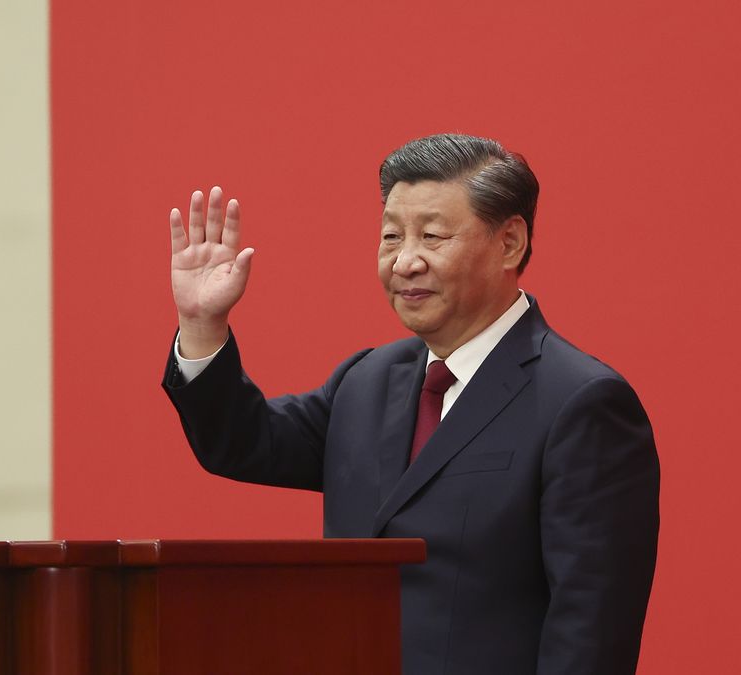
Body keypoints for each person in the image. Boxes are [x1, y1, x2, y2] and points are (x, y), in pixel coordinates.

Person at [161, 134, 659, 675]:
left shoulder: (581, 403)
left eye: (433, 236)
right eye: (392, 236)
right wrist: (202, 324)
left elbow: (590, 634)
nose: (405, 261)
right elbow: (243, 442)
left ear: (510, 243)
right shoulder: (367, 381)